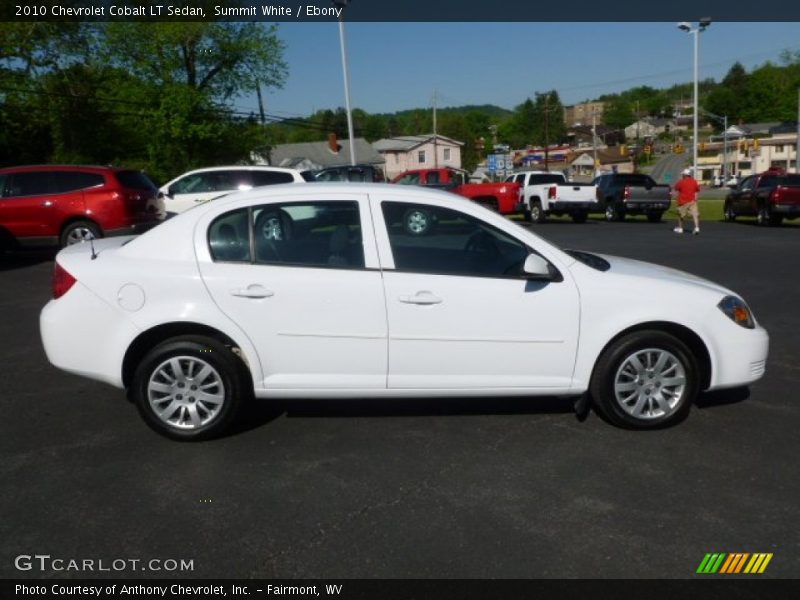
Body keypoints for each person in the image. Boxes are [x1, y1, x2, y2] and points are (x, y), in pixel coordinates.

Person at [673, 168, 701, 234]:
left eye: (683, 174)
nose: (682, 175)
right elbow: (697, 191)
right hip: (692, 201)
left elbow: (675, 188)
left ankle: (680, 228)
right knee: (695, 215)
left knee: (681, 215)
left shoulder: (681, 182)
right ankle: (696, 228)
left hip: (683, 201)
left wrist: (673, 195)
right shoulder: (694, 181)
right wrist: (696, 198)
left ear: (685, 175)